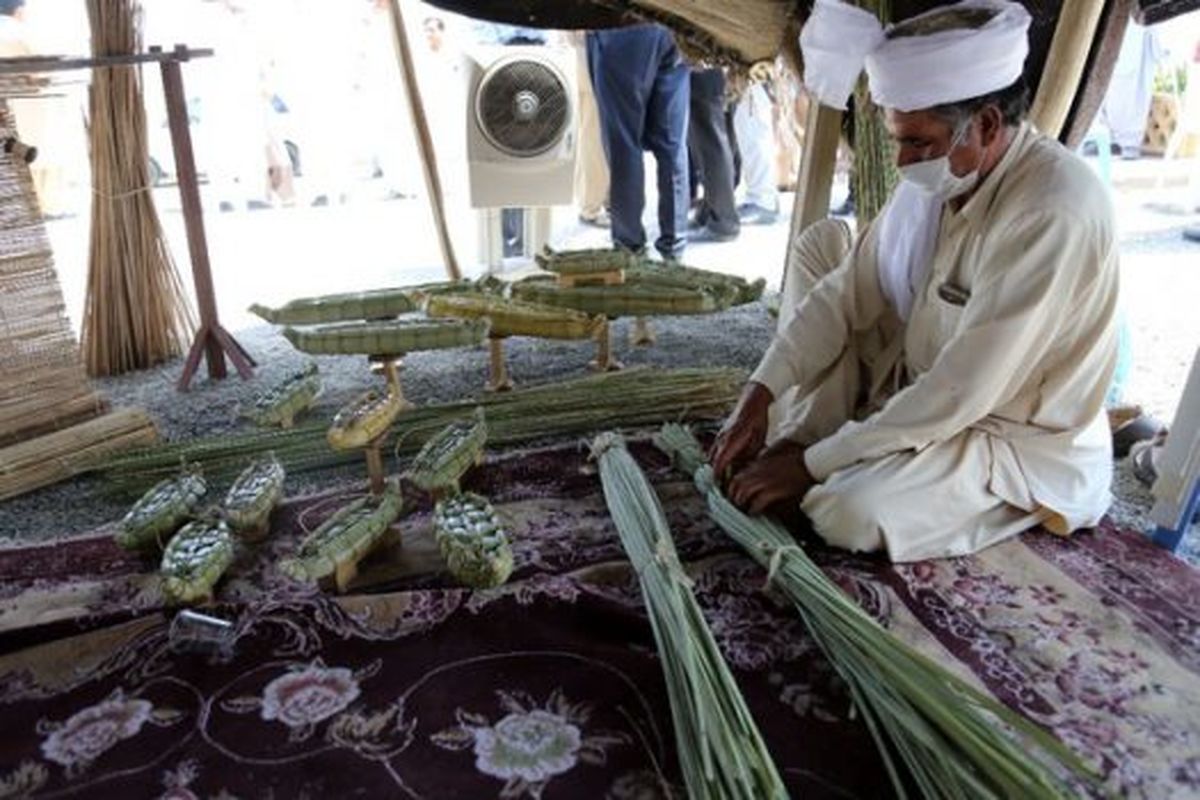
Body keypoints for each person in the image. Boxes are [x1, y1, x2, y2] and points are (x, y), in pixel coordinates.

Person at [711, 0, 1120, 562]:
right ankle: (838, 446)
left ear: (987, 124)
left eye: (918, 143)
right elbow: (843, 298)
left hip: (1005, 435)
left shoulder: (1052, 212)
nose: (903, 163)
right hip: (916, 386)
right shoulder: (941, 178)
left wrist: (810, 463)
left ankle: (877, 465)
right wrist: (758, 394)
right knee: (819, 308)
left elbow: (959, 391)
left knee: (845, 511)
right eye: (897, 140)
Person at [587, 24, 689, 260]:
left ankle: (629, 245)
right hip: (674, 24)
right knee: (672, 144)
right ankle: (674, 246)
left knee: (623, 143)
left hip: (621, 25)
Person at [688, 66, 740, 241]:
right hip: (720, 62)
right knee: (720, 131)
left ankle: (723, 219)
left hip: (706, 62)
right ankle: (713, 208)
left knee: (710, 137)